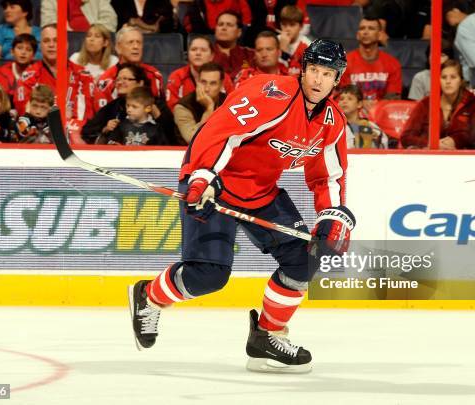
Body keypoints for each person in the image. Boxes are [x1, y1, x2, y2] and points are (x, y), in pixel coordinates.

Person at [128, 39, 354, 374]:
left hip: (260, 191)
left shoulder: (331, 123)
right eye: (314, 71)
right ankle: (149, 296)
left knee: (304, 259)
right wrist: (202, 177)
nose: (318, 80)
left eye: (327, 74)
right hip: (213, 182)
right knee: (209, 276)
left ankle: (266, 336)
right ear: (303, 70)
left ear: (337, 80)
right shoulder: (272, 93)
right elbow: (221, 132)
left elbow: (328, 178)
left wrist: (333, 217)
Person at [402, 60, 475, 149]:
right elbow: (406, 137)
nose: (448, 81)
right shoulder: (426, 103)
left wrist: (456, 141)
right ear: (438, 80)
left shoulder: (472, 103)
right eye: (444, 77)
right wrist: (431, 144)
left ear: (461, 81)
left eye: (453, 77)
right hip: (428, 156)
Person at [82, 63, 158, 143]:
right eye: (118, 79)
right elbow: (87, 132)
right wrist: (105, 129)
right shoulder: (112, 107)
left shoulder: (155, 104)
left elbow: (168, 133)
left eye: (125, 79)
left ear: (140, 83)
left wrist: (157, 115)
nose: (120, 82)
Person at [93, 26, 163, 112]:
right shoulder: (106, 80)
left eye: (139, 42)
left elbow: (162, 111)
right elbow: (101, 118)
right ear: (118, 48)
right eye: (130, 42)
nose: (136, 46)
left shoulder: (154, 75)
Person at [339, 17, 402, 110]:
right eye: (362, 28)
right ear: (357, 34)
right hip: (352, 113)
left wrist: (376, 106)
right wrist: (361, 103)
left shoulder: (392, 63)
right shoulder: (345, 62)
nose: (365, 32)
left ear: (380, 35)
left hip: (381, 113)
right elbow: (342, 95)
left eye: (371, 28)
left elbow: (393, 97)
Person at [166, 35, 233, 112]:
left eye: (203, 50)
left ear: (212, 55)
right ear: (188, 54)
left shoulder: (223, 77)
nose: (198, 53)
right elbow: (173, 109)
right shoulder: (177, 76)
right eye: (193, 49)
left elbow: (231, 104)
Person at [174, 62, 228, 143]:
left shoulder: (229, 101)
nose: (206, 89)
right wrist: (209, 109)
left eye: (213, 83)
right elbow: (192, 139)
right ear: (197, 82)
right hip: (187, 153)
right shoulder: (182, 107)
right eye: (203, 82)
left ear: (221, 84)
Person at [13, 24, 57, 115]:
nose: (51, 45)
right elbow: (23, 110)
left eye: (56, 41)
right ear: (40, 46)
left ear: (66, 44)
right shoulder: (28, 77)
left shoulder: (81, 75)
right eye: (46, 41)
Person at [106, 86, 171, 145]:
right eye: (128, 106)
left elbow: (162, 151)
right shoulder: (121, 125)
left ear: (147, 109)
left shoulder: (156, 129)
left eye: (134, 107)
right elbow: (111, 144)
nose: (129, 110)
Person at [338, 84, 390, 149]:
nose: (344, 101)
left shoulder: (372, 127)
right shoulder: (334, 127)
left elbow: (383, 148)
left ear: (359, 104)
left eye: (350, 99)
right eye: (341, 99)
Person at [212, 11, 254, 80]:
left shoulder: (250, 55)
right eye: (220, 24)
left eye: (229, 25)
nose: (223, 28)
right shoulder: (206, 54)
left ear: (239, 32)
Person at [41, 0, 117, 32]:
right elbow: (49, 23)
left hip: (96, 40)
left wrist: (93, 33)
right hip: (64, 41)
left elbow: (110, 18)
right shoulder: (50, 1)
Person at [277, 5, 311, 77]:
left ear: (301, 26)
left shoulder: (307, 46)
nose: (287, 29)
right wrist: (283, 50)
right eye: (284, 24)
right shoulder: (274, 42)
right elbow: (274, 73)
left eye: (292, 25)